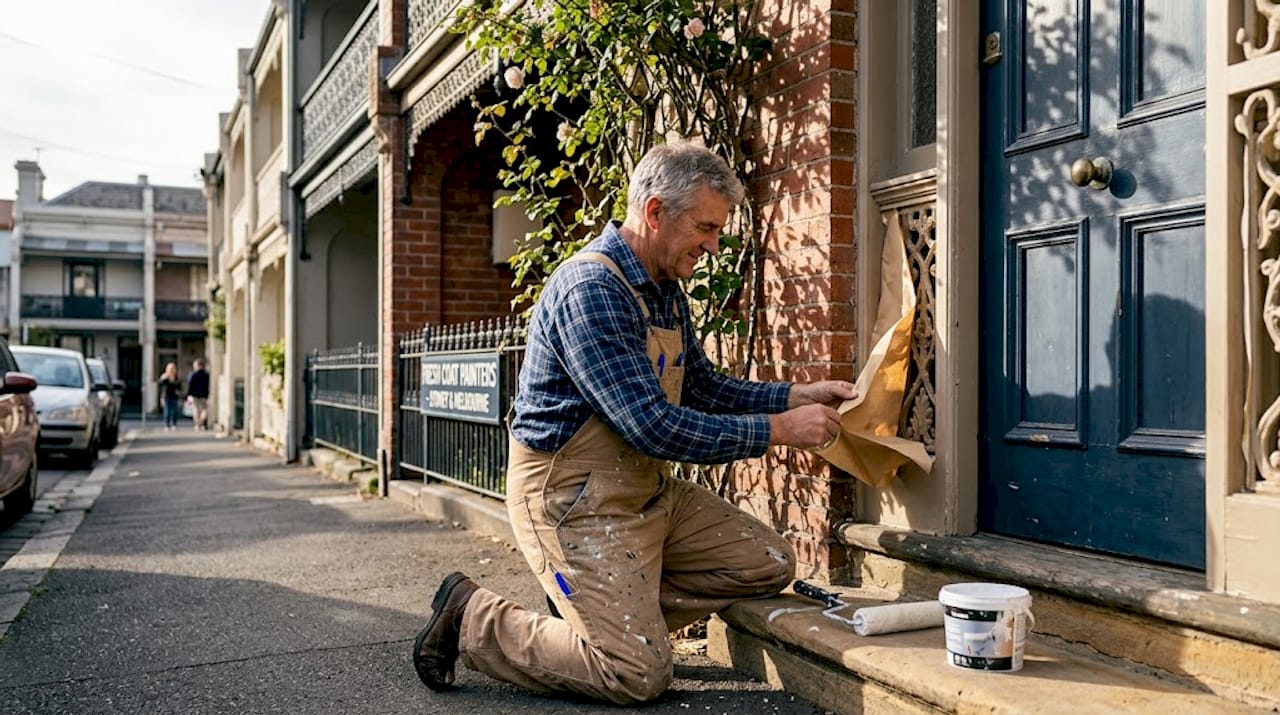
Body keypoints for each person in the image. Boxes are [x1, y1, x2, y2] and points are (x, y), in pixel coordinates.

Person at [411, 141, 855, 704]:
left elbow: (702, 386)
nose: (714, 246)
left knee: (767, 563)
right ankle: (472, 615)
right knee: (636, 675)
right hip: (570, 498)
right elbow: (651, 426)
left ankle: (602, 612)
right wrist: (781, 431)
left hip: (643, 490)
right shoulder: (591, 291)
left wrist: (794, 394)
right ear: (653, 212)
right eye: (705, 228)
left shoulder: (665, 289)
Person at [187, 358, 210, 430]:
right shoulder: (206, 374)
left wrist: (189, 394)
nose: (194, 367)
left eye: (195, 365)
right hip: (204, 395)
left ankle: (197, 424)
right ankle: (201, 422)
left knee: (196, 409)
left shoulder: (194, 374)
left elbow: (190, 385)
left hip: (195, 395)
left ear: (198, 365)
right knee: (204, 409)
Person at [159, 362, 182, 431]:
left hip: (174, 396)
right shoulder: (165, 377)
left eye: (173, 368)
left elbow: (179, 387)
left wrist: (179, 392)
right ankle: (167, 425)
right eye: (170, 369)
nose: (171, 370)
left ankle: (174, 424)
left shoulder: (176, 378)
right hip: (166, 396)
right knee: (167, 411)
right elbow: (161, 386)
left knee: (175, 411)